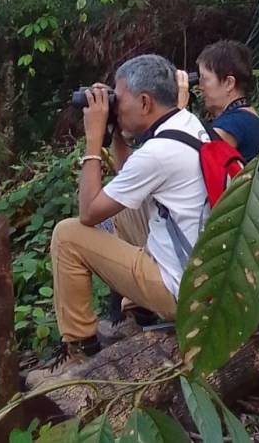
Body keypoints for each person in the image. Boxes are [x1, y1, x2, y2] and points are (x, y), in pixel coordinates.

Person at [25, 54, 211, 388]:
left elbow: (89, 213)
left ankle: (79, 351)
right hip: (201, 274)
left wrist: (93, 139)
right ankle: (137, 315)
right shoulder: (185, 124)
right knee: (124, 205)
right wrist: (115, 129)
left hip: (180, 291)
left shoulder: (158, 153)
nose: (114, 105)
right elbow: (129, 177)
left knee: (67, 235)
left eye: (118, 100)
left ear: (144, 102)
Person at [179, 40, 259, 162]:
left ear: (229, 83)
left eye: (204, 79)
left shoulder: (237, 122)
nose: (200, 87)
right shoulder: (244, 116)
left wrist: (177, 110)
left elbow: (189, 156)